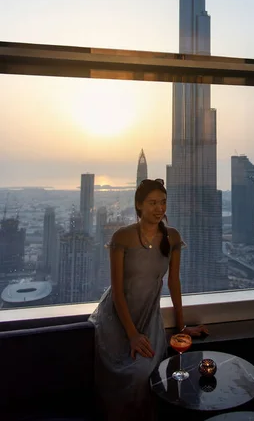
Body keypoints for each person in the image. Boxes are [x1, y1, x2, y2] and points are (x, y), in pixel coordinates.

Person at [89, 178, 208, 420]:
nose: (159, 208)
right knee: (123, 377)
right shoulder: (122, 237)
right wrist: (132, 334)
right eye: (152, 203)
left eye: (163, 202)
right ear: (139, 205)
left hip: (149, 318)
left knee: (146, 373)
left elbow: (174, 283)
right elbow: (118, 291)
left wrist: (181, 327)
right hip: (117, 319)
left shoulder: (172, 237)